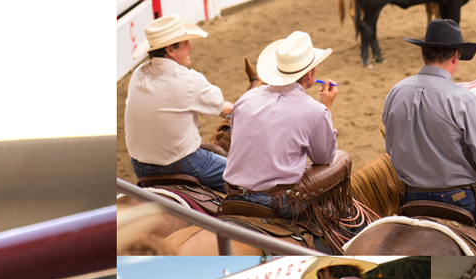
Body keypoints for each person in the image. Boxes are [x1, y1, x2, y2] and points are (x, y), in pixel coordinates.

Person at [382, 19, 476, 228]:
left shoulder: (396, 92)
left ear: (423, 54)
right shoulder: (465, 100)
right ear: (456, 56)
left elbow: (390, 149)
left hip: (411, 199)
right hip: (460, 200)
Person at [224, 31, 340, 217]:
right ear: (310, 73)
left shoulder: (246, 98)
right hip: (277, 201)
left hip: (233, 193)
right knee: (343, 160)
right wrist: (326, 106)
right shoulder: (314, 110)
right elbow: (324, 158)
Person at [126, 15, 235, 191]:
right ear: (170, 50)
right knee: (244, 178)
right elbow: (223, 108)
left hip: (140, 167)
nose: (191, 47)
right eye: (186, 43)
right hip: (183, 164)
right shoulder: (189, 80)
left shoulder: (138, 74)